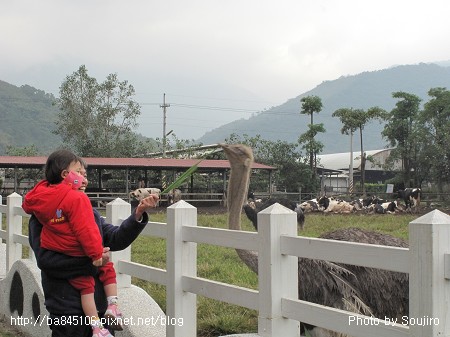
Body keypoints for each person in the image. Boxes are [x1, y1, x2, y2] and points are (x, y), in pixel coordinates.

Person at [27, 150, 159, 337]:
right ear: (65, 175)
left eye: (85, 174)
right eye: (79, 173)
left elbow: (114, 238)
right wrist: (94, 261)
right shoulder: (42, 217)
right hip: (67, 308)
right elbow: (46, 260)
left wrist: (138, 213)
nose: (84, 179)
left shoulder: (88, 211)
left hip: (98, 307)